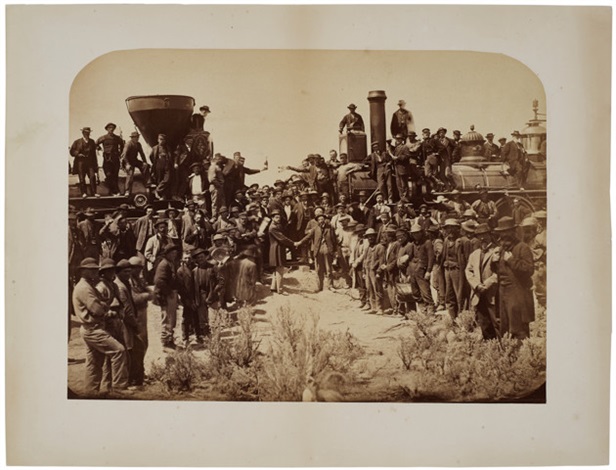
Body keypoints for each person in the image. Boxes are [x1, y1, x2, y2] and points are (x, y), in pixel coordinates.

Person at [72, 258, 128, 395]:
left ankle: (91, 393)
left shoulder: (87, 286)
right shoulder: (85, 288)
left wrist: (103, 306)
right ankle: (118, 389)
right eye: (91, 270)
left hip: (91, 328)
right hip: (93, 329)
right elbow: (98, 309)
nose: (95, 272)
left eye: (95, 269)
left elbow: (101, 305)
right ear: (83, 271)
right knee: (119, 351)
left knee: (94, 363)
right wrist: (105, 308)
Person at [493, 216, 535, 340]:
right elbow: (499, 271)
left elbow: (529, 269)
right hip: (503, 292)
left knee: (519, 329)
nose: (503, 235)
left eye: (506, 232)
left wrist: (511, 260)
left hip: (518, 292)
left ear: (513, 231)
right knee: (505, 327)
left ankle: (523, 356)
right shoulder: (501, 249)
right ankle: (509, 355)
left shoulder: (523, 247)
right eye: (501, 232)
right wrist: (493, 262)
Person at [465, 224, 500, 340]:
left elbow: (499, 272)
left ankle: (503, 349)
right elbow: (469, 271)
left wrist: (487, 284)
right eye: (479, 236)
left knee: (497, 322)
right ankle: (490, 348)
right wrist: (477, 285)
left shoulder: (497, 251)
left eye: (484, 235)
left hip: (493, 293)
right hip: (478, 293)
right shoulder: (474, 254)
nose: (482, 238)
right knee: (484, 323)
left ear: (490, 234)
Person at [114, 259, 144, 387]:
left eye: (129, 272)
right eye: (125, 272)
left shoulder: (125, 283)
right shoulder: (120, 287)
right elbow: (126, 310)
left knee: (137, 348)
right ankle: (131, 380)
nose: (128, 274)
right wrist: (135, 324)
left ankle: (137, 378)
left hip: (128, 323)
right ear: (118, 272)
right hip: (126, 324)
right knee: (131, 351)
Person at [300, 212, 337, 292]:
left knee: (329, 269)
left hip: (327, 249)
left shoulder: (330, 228)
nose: (321, 221)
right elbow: (308, 237)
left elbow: (334, 240)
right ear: (317, 221)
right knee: (319, 269)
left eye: (322, 219)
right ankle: (319, 287)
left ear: (325, 220)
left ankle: (330, 286)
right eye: (319, 219)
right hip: (318, 250)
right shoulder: (315, 229)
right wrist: (300, 242)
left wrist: (335, 251)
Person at [154, 244, 181, 349]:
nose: (174, 255)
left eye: (175, 253)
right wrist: (169, 292)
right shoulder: (164, 264)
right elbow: (159, 281)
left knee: (171, 318)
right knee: (168, 318)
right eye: (172, 253)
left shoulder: (170, 263)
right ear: (167, 254)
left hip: (169, 293)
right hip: (165, 295)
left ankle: (169, 339)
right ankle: (166, 342)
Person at [403, 224, 435, 315]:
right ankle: (423, 309)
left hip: (422, 270)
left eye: (417, 233)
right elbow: (410, 258)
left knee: (425, 291)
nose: (415, 235)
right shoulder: (413, 244)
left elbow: (431, 257)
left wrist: (428, 271)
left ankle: (430, 311)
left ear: (421, 232)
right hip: (413, 270)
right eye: (413, 234)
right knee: (415, 292)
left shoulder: (427, 243)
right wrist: (409, 273)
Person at [128, 256, 151, 372]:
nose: (138, 270)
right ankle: (136, 373)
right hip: (135, 314)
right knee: (138, 344)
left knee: (144, 343)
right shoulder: (129, 281)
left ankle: (139, 372)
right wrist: (147, 295)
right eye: (135, 268)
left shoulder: (138, 279)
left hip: (142, 313)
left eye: (140, 268)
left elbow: (147, 290)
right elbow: (135, 298)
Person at [268, 210, 298, 294]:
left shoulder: (277, 225)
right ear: (272, 218)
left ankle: (273, 287)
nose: (278, 219)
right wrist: (293, 243)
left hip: (278, 248)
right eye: (276, 217)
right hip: (276, 249)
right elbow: (282, 238)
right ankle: (280, 290)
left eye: (279, 217)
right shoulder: (273, 227)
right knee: (280, 269)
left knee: (277, 269)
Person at [441, 218, 464, 320]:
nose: (449, 230)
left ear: (456, 229)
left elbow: (464, 259)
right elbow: (443, 256)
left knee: (460, 295)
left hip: (457, 270)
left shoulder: (461, 241)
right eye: (447, 228)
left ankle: (462, 318)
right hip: (447, 270)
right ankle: (452, 318)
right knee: (449, 295)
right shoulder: (446, 241)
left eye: (452, 228)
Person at [176, 252, 201, 345]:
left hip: (196, 296)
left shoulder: (195, 268)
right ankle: (185, 338)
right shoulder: (180, 271)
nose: (188, 260)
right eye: (185, 258)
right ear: (182, 259)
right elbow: (181, 287)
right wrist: (188, 300)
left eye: (189, 258)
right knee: (186, 317)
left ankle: (198, 335)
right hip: (187, 297)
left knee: (196, 317)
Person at [70, 127, 99, 198]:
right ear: (83, 133)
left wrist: (96, 165)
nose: (87, 134)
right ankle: (84, 193)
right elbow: (72, 151)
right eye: (85, 133)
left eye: (88, 133)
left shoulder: (92, 142)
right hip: (80, 162)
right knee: (82, 178)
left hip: (90, 162)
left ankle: (94, 193)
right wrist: (78, 154)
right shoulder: (77, 142)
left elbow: (94, 154)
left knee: (92, 177)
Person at [96, 123, 124, 196]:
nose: (111, 129)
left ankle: (116, 190)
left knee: (115, 175)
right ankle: (112, 190)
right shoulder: (103, 138)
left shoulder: (117, 138)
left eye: (112, 128)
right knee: (108, 174)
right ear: (107, 129)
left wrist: (120, 153)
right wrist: (99, 148)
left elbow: (122, 144)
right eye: (109, 128)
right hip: (107, 158)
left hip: (115, 158)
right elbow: (95, 144)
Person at [363, 228, 385, 315]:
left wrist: (379, 272)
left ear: (375, 237)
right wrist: (364, 271)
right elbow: (365, 260)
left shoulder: (380, 247)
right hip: (368, 271)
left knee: (377, 289)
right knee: (369, 289)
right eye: (368, 237)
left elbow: (382, 261)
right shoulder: (368, 248)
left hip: (375, 272)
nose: (370, 238)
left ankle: (380, 308)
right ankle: (373, 307)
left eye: (372, 236)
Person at [121, 131, 150, 196]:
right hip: (127, 161)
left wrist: (145, 162)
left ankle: (147, 183)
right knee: (130, 173)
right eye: (135, 137)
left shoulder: (138, 144)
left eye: (138, 137)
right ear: (132, 138)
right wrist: (127, 164)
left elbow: (142, 154)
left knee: (145, 166)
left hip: (134, 160)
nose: (137, 138)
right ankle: (127, 190)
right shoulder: (128, 144)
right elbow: (124, 155)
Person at [149, 134, 174, 200]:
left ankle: (157, 190)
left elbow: (171, 156)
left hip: (167, 164)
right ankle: (162, 195)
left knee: (167, 179)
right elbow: (151, 156)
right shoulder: (155, 148)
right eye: (160, 139)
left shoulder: (168, 148)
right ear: (158, 140)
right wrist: (155, 164)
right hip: (159, 164)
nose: (162, 141)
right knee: (159, 180)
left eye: (163, 139)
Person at [389, 133, 412, 201]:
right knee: (398, 183)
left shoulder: (405, 147)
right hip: (397, 168)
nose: (398, 140)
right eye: (397, 139)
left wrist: (397, 158)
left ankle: (405, 196)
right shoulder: (396, 148)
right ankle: (402, 197)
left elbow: (407, 156)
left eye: (399, 139)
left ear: (402, 140)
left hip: (402, 168)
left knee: (403, 183)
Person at [208, 153, 226, 218]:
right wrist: (219, 185)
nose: (220, 160)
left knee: (220, 202)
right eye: (219, 158)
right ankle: (214, 217)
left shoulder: (217, 167)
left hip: (218, 187)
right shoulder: (213, 167)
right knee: (215, 203)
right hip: (215, 187)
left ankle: (219, 217)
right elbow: (212, 179)